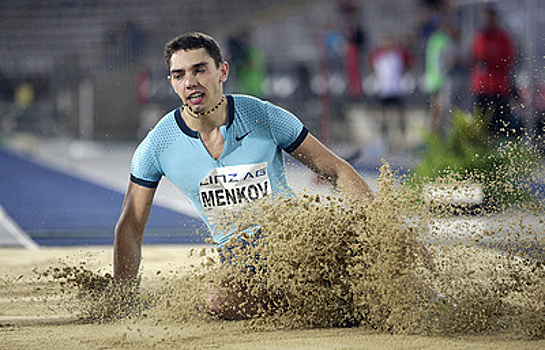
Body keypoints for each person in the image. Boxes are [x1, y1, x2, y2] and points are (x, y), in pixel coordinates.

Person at [113, 32, 375, 317]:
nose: (190, 82)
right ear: (171, 82)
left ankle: (349, 297)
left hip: (297, 243)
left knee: (370, 252)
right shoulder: (158, 145)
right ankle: (321, 307)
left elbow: (336, 170)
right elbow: (130, 225)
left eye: (200, 70)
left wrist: (385, 229)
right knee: (217, 299)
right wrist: (122, 299)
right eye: (179, 75)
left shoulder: (263, 116)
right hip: (242, 264)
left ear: (222, 71)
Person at [470, 6, 519, 137]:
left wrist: (491, 59)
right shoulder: (480, 37)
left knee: (500, 123)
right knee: (482, 123)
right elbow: (475, 57)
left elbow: (508, 60)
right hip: (482, 87)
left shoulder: (502, 38)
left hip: (498, 87)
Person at [367, 34, 414, 152]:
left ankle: (403, 140)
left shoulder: (397, 55)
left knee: (400, 116)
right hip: (383, 90)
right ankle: (384, 140)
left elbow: (410, 62)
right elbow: (372, 67)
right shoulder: (378, 56)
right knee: (383, 117)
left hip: (396, 89)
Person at [424, 20, 461, 135]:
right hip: (442, 79)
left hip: (431, 78)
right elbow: (451, 60)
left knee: (434, 109)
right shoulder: (445, 41)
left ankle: (432, 137)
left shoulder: (434, 39)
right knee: (441, 109)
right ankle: (437, 137)